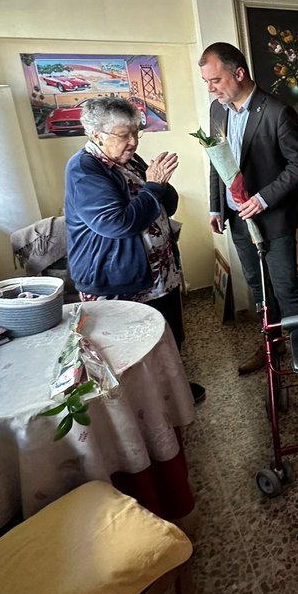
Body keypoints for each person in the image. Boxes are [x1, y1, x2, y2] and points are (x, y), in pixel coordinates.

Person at [199, 42, 298, 398]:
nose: (211, 88)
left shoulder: (278, 112)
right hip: (236, 221)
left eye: (215, 80)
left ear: (239, 73)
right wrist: (215, 207)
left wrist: (263, 199)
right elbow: (215, 160)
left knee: (287, 290)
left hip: (276, 218)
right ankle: (274, 345)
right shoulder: (216, 111)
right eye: (206, 81)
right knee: (259, 289)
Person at [63, 97, 203, 403]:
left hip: (157, 273)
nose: (133, 141)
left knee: (167, 337)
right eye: (124, 135)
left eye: (136, 133)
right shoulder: (85, 171)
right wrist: (154, 186)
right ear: (96, 135)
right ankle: (145, 408)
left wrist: (161, 186)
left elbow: (163, 203)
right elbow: (118, 223)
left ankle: (173, 391)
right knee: (132, 352)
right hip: (119, 279)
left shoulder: (128, 159)